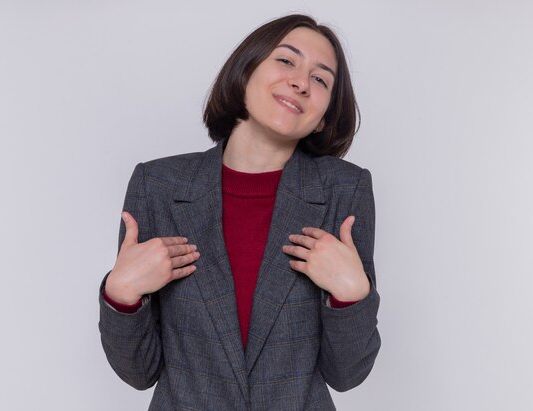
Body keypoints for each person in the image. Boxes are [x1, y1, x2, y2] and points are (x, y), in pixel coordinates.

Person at [98, 14, 381, 410]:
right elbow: (139, 372)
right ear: (245, 71)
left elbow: (346, 374)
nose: (301, 82)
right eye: (286, 61)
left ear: (324, 117)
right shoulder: (157, 185)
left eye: (321, 79)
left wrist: (352, 295)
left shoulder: (345, 189)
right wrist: (121, 294)